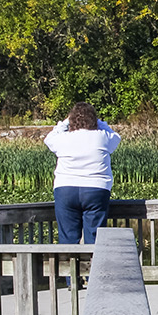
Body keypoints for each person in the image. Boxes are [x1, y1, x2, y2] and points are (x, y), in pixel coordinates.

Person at [44, 102, 121, 244]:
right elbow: (116, 137)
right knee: (95, 239)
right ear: (94, 120)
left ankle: (69, 263)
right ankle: (94, 265)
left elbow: (48, 138)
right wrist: (100, 122)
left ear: (71, 120)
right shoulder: (102, 137)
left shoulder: (63, 138)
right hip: (96, 189)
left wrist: (65, 122)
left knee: (68, 239)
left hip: (65, 189)